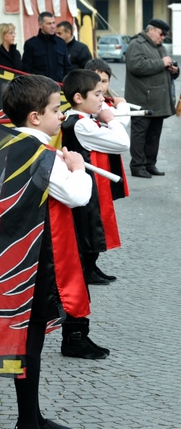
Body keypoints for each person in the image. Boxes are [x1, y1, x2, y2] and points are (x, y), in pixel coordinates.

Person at [2, 74, 92, 429]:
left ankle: (34, 416)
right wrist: (78, 167)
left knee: (32, 341)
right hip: (34, 260)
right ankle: (26, 427)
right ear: (36, 117)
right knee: (30, 343)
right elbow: (76, 196)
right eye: (56, 110)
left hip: (20, 255)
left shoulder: (16, 145)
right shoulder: (40, 155)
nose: (62, 116)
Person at [61, 69, 130, 359]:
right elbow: (122, 142)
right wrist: (111, 118)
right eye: (98, 94)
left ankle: (76, 333)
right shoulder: (81, 125)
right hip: (83, 208)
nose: (103, 99)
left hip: (84, 203)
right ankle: (74, 336)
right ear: (79, 98)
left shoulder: (80, 120)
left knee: (81, 270)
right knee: (79, 272)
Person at [84, 58, 131, 285]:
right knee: (94, 220)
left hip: (103, 165)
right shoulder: (90, 110)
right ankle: (87, 267)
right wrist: (122, 107)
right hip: (93, 168)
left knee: (102, 218)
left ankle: (92, 265)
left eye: (104, 81)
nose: (101, 87)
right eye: (97, 81)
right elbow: (121, 131)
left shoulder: (100, 104)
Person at [125, 19, 179, 178]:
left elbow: (165, 65)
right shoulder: (137, 44)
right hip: (142, 100)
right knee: (140, 134)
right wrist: (161, 63)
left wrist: (174, 70)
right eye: (161, 34)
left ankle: (150, 164)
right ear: (151, 30)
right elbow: (136, 66)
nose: (163, 38)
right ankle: (137, 166)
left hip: (158, 100)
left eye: (165, 35)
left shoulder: (160, 47)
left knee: (154, 135)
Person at [21, 11, 71, 81]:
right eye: (49, 24)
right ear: (40, 25)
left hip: (58, 85)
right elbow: (26, 69)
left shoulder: (61, 43)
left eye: (53, 23)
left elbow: (67, 68)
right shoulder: (31, 44)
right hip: (39, 85)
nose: (52, 26)